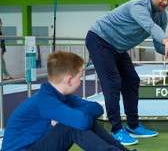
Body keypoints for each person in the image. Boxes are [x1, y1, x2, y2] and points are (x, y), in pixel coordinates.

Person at [85, 0, 168, 145]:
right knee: (113, 82)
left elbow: (158, 44)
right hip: (100, 40)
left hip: (118, 48)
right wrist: (167, 40)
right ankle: (116, 130)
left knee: (132, 80)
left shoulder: (162, 16)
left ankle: (133, 125)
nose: (166, 2)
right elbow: (150, 26)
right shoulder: (138, 6)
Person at [1, 51, 131, 151]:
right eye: (80, 77)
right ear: (69, 80)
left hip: (37, 145)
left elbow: (97, 108)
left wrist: (70, 114)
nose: (81, 81)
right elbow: (83, 121)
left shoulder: (63, 96)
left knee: (76, 120)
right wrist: (71, 116)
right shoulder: (46, 101)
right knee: (72, 124)